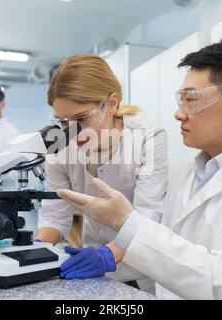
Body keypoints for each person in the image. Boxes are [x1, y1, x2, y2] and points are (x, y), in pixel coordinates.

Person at [56, 40, 222, 300]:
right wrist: (107, 260)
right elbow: (164, 257)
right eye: (180, 101)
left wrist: (126, 223)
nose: (178, 114)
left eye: (190, 100)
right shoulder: (187, 175)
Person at [35, 54, 168, 291]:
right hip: (93, 270)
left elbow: (149, 215)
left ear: (112, 103)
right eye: (62, 122)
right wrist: (33, 252)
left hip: (142, 268)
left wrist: (108, 255)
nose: (71, 132)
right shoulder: (59, 148)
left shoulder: (147, 137)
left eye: (81, 119)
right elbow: (55, 216)